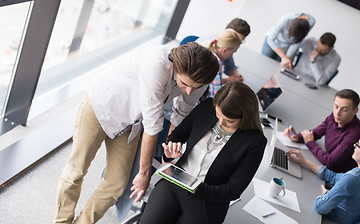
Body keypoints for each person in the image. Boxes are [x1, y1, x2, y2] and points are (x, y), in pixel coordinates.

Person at [54, 42, 219, 224]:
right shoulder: (157, 64)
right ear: (174, 67)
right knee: (76, 171)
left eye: (196, 88)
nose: (189, 91)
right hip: (100, 108)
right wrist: (144, 173)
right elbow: (152, 125)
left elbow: (180, 115)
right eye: (184, 84)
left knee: (116, 184)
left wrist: (169, 152)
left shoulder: (199, 80)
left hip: (130, 121)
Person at [138, 81, 267, 224]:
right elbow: (176, 136)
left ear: (245, 117)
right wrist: (170, 152)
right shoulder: (207, 107)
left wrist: (199, 190)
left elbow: (234, 190)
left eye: (229, 121)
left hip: (207, 201)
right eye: (218, 115)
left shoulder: (255, 142)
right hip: (175, 184)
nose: (221, 123)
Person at [284, 89, 360, 173]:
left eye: (344, 110)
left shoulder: (355, 134)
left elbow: (329, 162)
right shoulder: (334, 117)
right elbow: (315, 133)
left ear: (355, 111)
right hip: (322, 165)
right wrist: (297, 137)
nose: (338, 112)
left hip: (334, 175)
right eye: (336, 106)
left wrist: (310, 142)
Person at [287, 139, 360, 224]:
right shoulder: (355, 174)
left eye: (358, 145)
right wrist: (304, 161)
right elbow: (334, 177)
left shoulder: (353, 177)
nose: (354, 145)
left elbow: (320, 207)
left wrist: (326, 195)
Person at [197, 18, 251, 82]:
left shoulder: (223, 48)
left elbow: (230, 66)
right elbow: (205, 81)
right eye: (236, 38)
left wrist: (237, 76)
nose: (238, 42)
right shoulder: (207, 56)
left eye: (241, 41)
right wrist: (228, 80)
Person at [201, 28, 242, 98]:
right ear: (225, 50)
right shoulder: (216, 63)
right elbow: (215, 95)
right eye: (232, 52)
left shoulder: (204, 45)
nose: (231, 56)